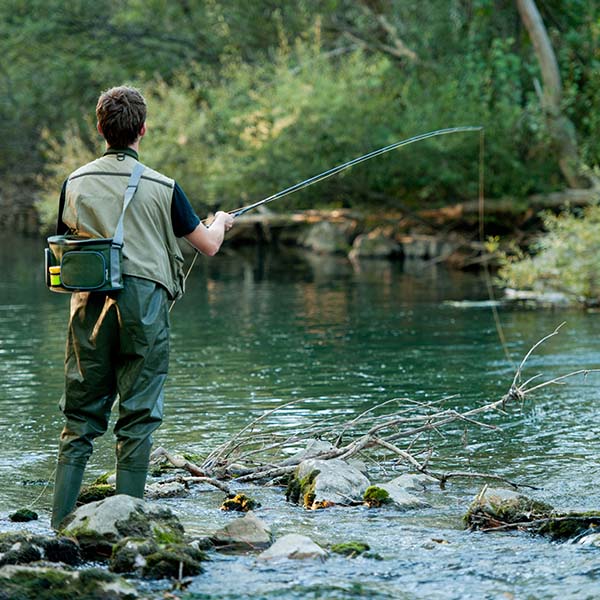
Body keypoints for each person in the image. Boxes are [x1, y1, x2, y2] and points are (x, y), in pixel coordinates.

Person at [50, 85, 234, 529]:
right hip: (146, 305)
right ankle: (126, 529)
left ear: (100, 129)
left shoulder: (74, 181)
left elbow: (65, 243)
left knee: (79, 419)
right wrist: (222, 222)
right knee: (138, 415)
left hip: (88, 305)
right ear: (143, 130)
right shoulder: (163, 186)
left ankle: (57, 528)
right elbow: (207, 246)